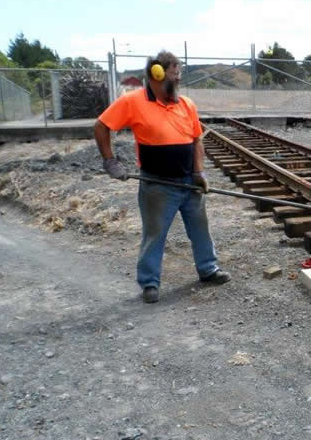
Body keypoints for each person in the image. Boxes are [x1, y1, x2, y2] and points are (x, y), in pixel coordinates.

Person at [93, 50, 230, 303]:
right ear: (156, 74)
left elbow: (196, 139)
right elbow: (101, 126)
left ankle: (208, 269)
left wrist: (199, 172)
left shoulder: (186, 104)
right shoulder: (132, 101)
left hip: (189, 181)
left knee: (201, 228)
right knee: (154, 234)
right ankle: (149, 282)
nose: (177, 81)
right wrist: (110, 161)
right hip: (157, 184)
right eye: (173, 76)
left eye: (179, 76)